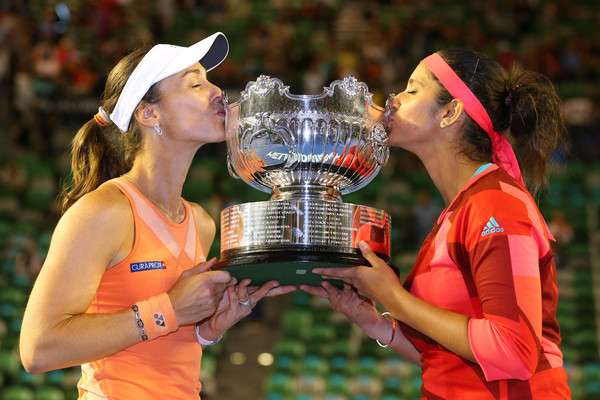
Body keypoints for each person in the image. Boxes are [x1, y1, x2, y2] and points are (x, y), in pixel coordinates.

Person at [19, 32, 295, 399]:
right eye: (195, 83)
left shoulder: (201, 221)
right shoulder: (104, 211)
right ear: (149, 114)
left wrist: (207, 328)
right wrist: (170, 308)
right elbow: (39, 350)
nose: (217, 93)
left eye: (210, 80)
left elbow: (158, 338)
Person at [301, 49, 571, 399]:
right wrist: (376, 322)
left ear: (450, 112)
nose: (394, 100)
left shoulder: (495, 204)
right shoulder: (462, 207)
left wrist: (394, 299)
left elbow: (513, 354)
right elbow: (448, 359)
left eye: (412, 90)